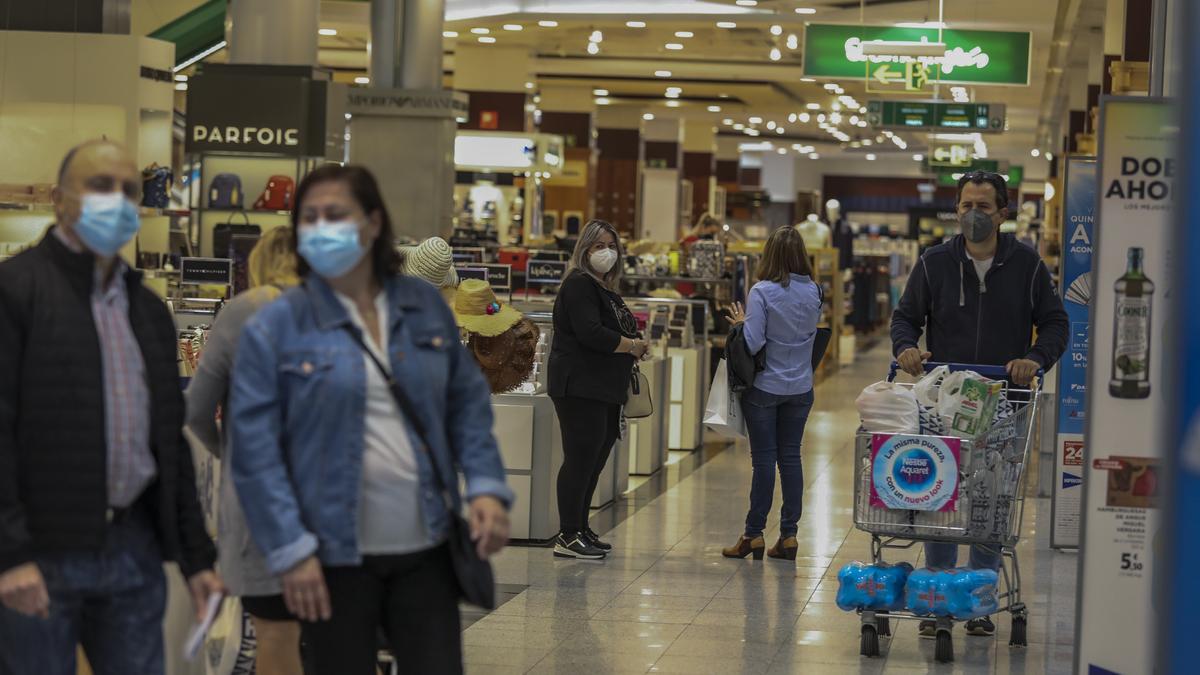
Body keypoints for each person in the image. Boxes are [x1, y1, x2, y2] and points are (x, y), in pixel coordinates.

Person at [228, 164, 512, 675]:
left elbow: (466, 403)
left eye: (337, 215)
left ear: (373, 223)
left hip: (425, 547)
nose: (322, 228)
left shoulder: (423, 307)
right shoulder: (277, 325)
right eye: (310, 218)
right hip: (332, 556)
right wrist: (289, 549)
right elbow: (254, 450)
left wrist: (487, 485)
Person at [0, 140, 222, 674]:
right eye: (100, 186)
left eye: (128, 189)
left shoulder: (145, 309)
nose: (117, 201)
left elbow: (168, 442)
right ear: (60, 199)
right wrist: (10, 553)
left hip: (132, 548)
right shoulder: (15, 291)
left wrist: (197, 559)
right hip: (42, 553)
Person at [891, 170, 1068, 638]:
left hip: (1004, 403)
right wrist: (906, 348)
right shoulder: (933, 263)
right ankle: (940, 593)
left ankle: (978, 597)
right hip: (943, 404)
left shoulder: (1028, 266)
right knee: (941, 497)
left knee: (991, 502)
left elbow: (1054, 324)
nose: (973, 215)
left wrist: (1034, 358)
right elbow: (905, 319)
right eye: (966, 206)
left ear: (1003, 214)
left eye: (983, 207)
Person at [184, 227, 301, 675]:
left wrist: (226, 452)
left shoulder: (244, 312)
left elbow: (196, 409)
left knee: (275, 636)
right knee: (343, 638)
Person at [548, 219, 647, 560]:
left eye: (611, 245)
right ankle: (567, 533)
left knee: (594, 459)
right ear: (584, 250)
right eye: (598, 246)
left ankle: (580, 526)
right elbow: (590, 332)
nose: (606, 252)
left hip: (604, 387)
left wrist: (634, 343)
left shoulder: (605, 289)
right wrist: (630, 346)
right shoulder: (578, 285)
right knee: (579, 458)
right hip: (579, 385)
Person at [721, 226, 821, 562]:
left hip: (765, 387)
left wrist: (739, 323)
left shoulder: (761, 291)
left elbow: (752, 342)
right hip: (801, 387)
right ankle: (789, 536)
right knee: (791, 458)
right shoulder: (814, 291)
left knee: (763, 462)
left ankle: (753, 534)